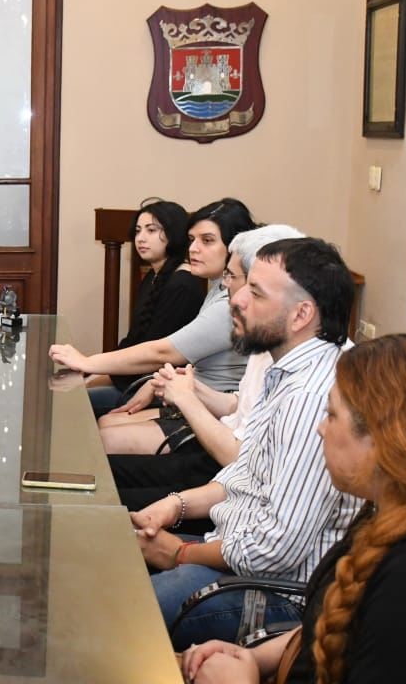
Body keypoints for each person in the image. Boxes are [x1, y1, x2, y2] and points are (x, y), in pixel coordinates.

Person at [181, 335, 406, 684]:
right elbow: (325, 624)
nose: (319, 428)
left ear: (387, 440)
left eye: (331, 414)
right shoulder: (384, 511)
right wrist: (254, 657)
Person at [132, 237, 364, 649]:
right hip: (231, 554)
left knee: (117, 609)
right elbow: (245, 473)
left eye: (255, 293)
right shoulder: (286, 372)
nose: (236, 300)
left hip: (272, 592)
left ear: (301, 314)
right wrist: (174, 505)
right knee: (110, 550)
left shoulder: (310, 396)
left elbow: (273, 550)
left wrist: (179, 553)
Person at [104, 225, 305, 511]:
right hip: (218, 461)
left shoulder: (307, 381)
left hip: (229, 480)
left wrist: (187, 397)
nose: (234, 296)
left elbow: (243, 464)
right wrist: (191, 387)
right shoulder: (266, 344)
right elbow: (239, 406)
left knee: (107, 494)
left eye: (252, 289)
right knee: (100, 472)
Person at [50, 198, 256, 415]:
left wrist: (87, 363)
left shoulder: (220, 298)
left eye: (207, 240)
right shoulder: (216, 287)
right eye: (192, 239)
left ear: (235, 246)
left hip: (210, 401)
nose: (194, 248)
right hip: (178, 386)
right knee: (78, 401)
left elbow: (162, 353)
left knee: (88, 413)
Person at [85, 199, 207, 416]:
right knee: (76, 389)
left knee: (77, 401)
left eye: (151, 230)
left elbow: (158, 355)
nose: (140, 238)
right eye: (138, 231)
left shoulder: (182, 285)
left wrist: (98, 370)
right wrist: (98, 372)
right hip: (137, 376)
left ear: (174, 233)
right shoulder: (153, 276)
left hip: (158, 386)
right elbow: (135, 340)